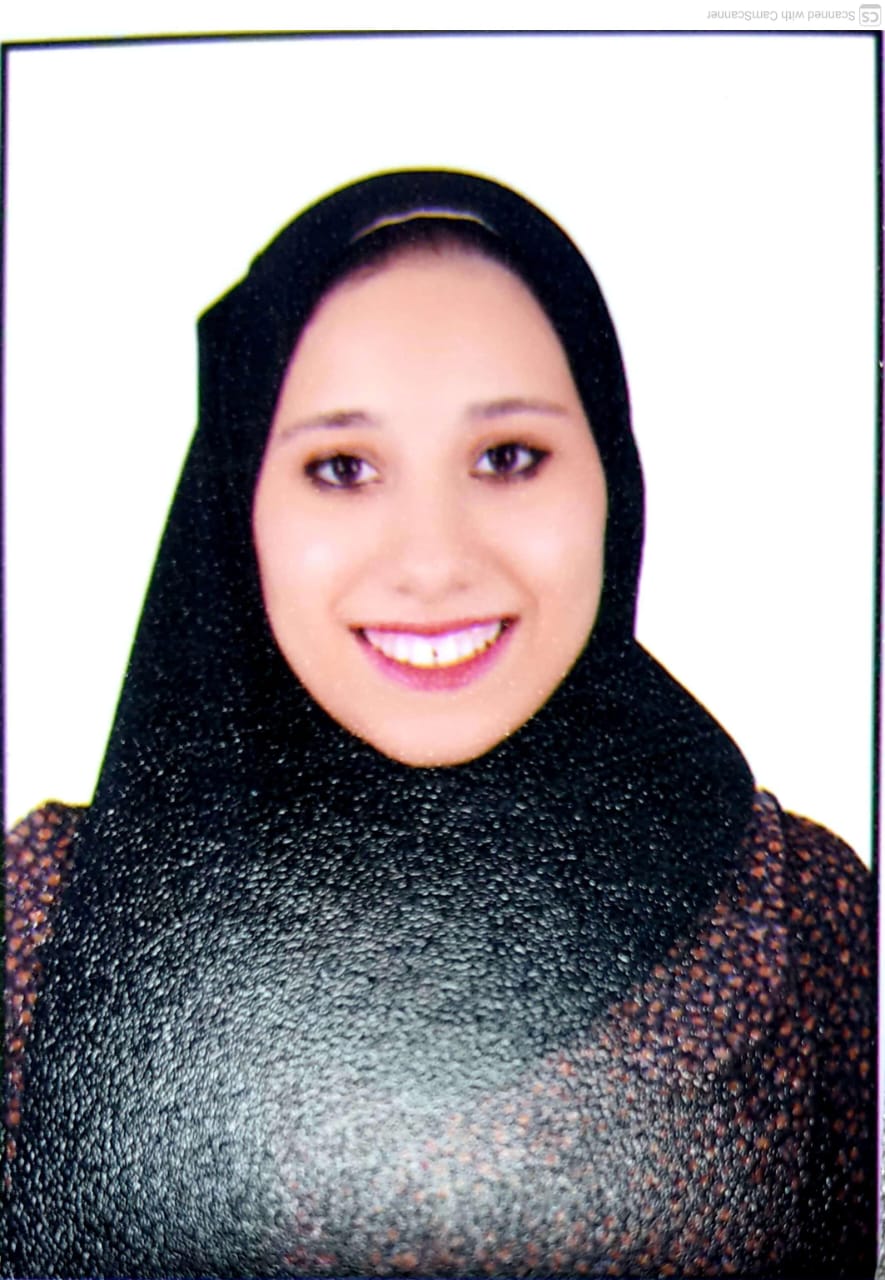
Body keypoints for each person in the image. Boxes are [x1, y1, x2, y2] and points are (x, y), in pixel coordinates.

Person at [4, 171, 873, 1278]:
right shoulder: (49, 913)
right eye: (342, 468)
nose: (432, 561)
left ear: (610, 476)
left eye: (508, 457)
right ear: (239, 502)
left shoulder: (802, 915)